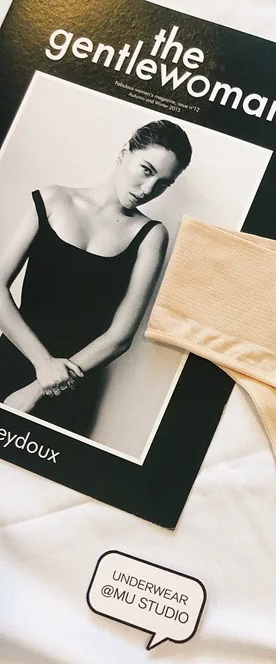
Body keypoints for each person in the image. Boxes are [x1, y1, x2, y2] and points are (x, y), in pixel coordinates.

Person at [0, 118, 192, 437]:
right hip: (10, 359)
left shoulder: (150, 235)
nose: (148, 190)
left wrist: (38, 389)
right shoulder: (52, 200)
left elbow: (120, 337)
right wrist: (43, 365)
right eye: (146, 170)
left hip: (71, 387)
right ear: (124, 153)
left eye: (163, 184)